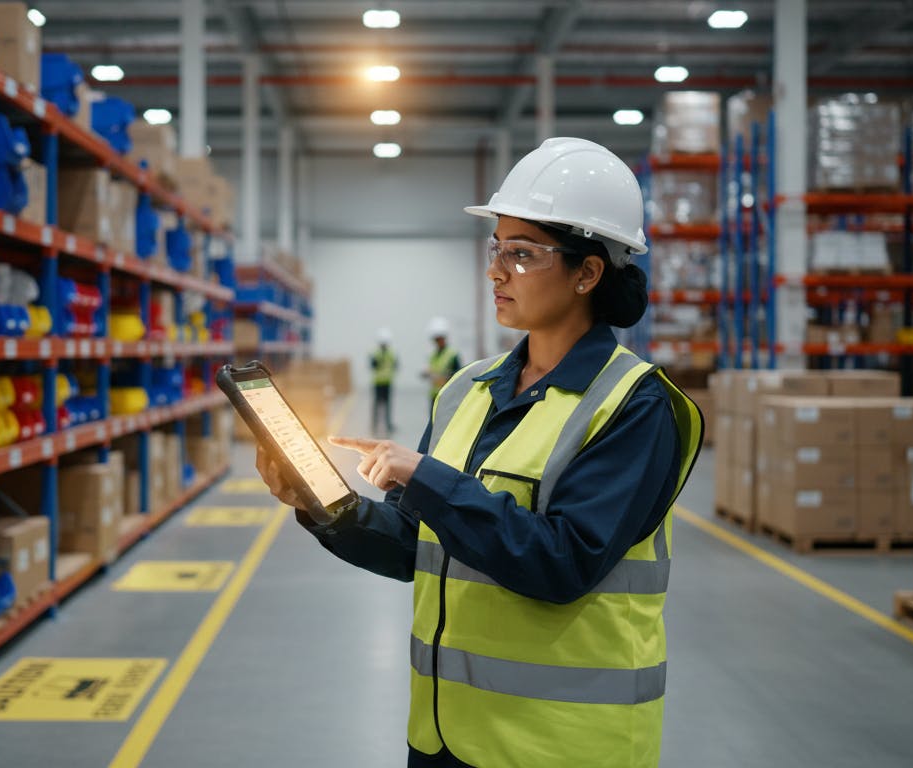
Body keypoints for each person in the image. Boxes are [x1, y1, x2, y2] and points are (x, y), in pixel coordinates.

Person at [256, 137, 702, 768]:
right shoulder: (467, 390)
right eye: (496, 249)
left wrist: (426, 477)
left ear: (588, 272)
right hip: (446, 737)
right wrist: (326, 505)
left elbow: (562, 563)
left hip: (560, 748)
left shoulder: (635, 407)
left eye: (521, 254)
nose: (496, 270)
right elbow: (421, 546)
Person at [423, 316, 460, 413]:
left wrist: (444, 378)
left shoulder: (452, 355)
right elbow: (432, 370)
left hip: (447, 396)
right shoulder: (433, 355)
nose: (437, 341)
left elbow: (459, 375)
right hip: (434, 395)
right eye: (436, 339)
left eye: (439, 338)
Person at [370, 327, 398, 435]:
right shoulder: (375, 353)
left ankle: (388, 424)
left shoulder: (391, 353)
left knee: (388, 405)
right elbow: (372, 365)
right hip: (378, 383)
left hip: (387, 382)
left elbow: (396, 365)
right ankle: (374, 424)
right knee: (377, 405)